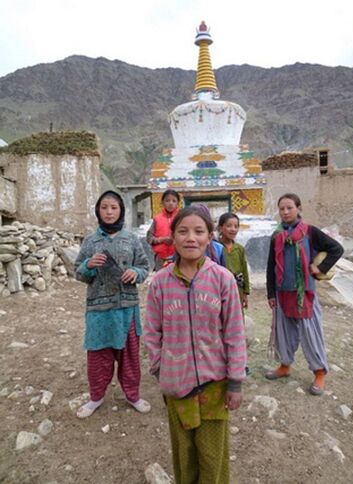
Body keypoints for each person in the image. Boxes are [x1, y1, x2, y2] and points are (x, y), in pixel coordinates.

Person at [144, 207, 247, 484]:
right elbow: (152, 332)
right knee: (184, 456)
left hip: (216, 386)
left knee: (213, 459)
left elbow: (235, 333)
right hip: (177, 385)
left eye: (199, 231)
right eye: (183, 231)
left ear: (209, 237)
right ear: (172, 238)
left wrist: (235, 381)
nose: (191, 238)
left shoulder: (222, 279)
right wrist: (160, 369)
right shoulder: (161, 284)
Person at [74, 190, 151, 418]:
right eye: (104, 207)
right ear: (98, 210)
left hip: (127, 308)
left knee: (129, 355)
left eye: (114, 207)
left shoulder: (132, 240)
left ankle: (132, 395)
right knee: (98, 356)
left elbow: (146, 267)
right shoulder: (90, 241)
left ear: (121, 211)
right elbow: (78, 272)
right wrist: (89, 264)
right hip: (99, 311)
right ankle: (96, 397)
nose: (109, 212)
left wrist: (135, 272)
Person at [265, 193, 344, 395]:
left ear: (299, 208)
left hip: (305, 293)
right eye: (281, 208)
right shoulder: (277, 236)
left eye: (289, 207)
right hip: (283, 293)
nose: (285, 212)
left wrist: (321, 268)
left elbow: (336, 249)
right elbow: (271, 265)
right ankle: (285, 365)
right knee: (284, 332)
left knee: (310, 333)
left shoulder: (310, 232)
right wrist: (271, 293)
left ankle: (319, 372)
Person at [218, 212, 250, 313]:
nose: (233, 229)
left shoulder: (239, 249)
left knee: (237, 315)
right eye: (229, 226)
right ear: (220, 228)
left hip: (238, 289)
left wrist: (245, 292)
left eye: (236, 226)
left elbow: (244, 270)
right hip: (221, 288)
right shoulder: (216, 247)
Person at [146, 189, 180, 271]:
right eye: (167, 200)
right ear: (162, 203)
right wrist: (162, 239)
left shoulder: (181, 218)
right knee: (161, 280)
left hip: (179, 257)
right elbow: (149, 238)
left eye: (174, 201)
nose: (170, 203)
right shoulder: (157, 219)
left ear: (178, 203)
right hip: (160, 259)